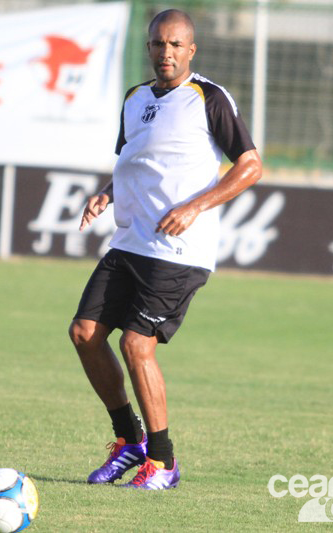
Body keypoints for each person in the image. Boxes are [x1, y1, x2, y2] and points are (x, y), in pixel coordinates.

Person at [70, 9, 262, 490]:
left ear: (191, 50)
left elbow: (251, 166)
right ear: (149, 47)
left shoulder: (208, 97)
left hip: (179, 250)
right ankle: (129, 441)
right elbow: (134, 160)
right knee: (85, 333)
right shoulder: (135, 98)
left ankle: (163, 462)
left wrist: (195, 206)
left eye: (176, 45)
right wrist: (107, 193)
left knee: (137, 345)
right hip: (131, 241)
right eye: (159, 43)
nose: (166, 53)